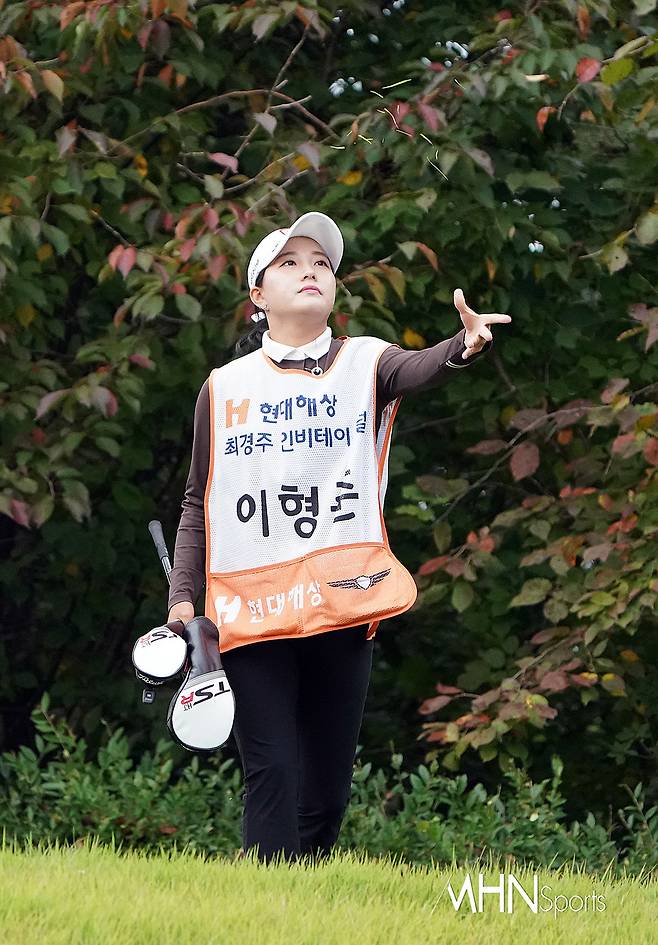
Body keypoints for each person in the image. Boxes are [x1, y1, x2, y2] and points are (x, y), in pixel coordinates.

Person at [166, 211, 512, 865]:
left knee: (325, 793)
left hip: (344, 598)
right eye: (290, 263)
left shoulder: (366, 361)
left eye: (321, 263)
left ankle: (305, 896)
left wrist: (463, 346)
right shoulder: (223, 387)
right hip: (251, 606)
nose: (311, 272)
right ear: (258, 294)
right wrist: (182, 598)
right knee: (272, 772)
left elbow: (420, 368)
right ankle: (268, 903)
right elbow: (197, 501)